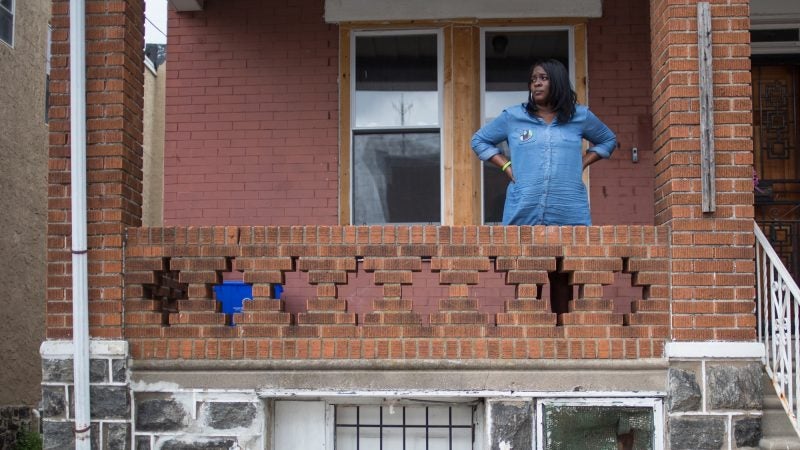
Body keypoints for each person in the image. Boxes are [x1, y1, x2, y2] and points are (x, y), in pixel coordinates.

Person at [471, 59, 617, 226]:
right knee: (517, 251)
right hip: (522, 209)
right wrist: (506, 166)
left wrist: (582, 162)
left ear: (558, 82)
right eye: (533, 80)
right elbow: (479, 140)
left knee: (573, 250)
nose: (536, 84)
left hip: (570, 210)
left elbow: (608, 140)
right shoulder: (513, 116)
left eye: (543, 78)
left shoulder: (580, 116)